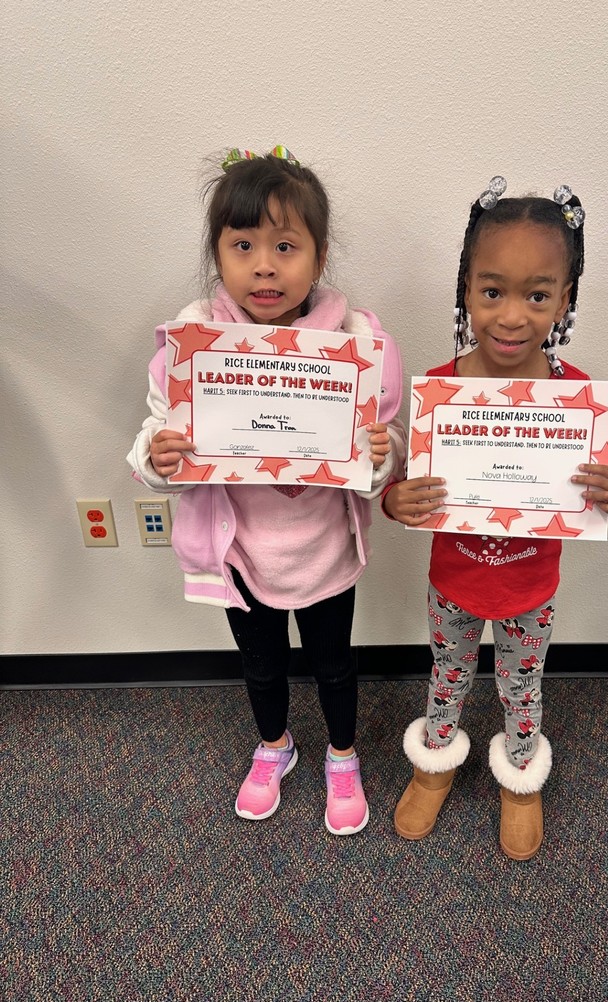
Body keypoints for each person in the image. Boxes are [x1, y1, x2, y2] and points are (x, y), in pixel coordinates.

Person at [128, 146, 405, 836]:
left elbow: (382, 459)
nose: (264, 264)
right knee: (261, 666)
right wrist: (159, 456)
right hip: (240, 550)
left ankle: (343, 756)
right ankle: (275, 746)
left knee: (336, 665)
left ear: (318, 255)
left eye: (286, 245)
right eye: (243, 244)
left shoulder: (354, 342)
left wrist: (380, 454)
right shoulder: (194, 345)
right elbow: (156, 442)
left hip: (323, 550)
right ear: (217, 252)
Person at [383, 178, 608, 860]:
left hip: (530, 591)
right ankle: (435, 760)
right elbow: (409, 489)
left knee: (523, 688)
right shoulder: (443, 391)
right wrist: (395, 499)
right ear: (465, 290)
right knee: (448, 677)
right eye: (493, 291)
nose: (513, 315)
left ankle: (522, 777)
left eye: (538, 294)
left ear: (565, 300)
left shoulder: (575, 400)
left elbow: (598, 499)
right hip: (453, 585)